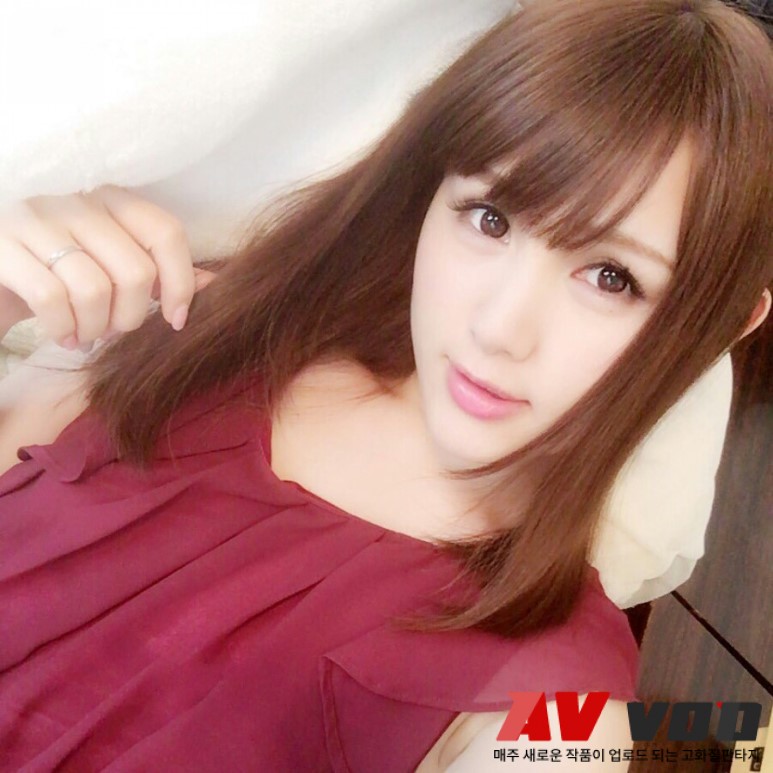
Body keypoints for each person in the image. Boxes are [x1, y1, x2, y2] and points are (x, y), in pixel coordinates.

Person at [0, 0, 771, 769]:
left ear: (721, 326)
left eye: (610, 276)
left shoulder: (560, 719)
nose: (498, 327)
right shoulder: (211, 329)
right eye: (489, 218)